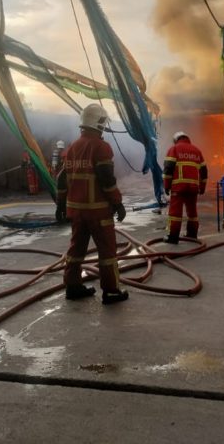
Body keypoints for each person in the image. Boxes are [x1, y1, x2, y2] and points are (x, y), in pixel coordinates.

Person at [55, 104, 129, 305]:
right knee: (107, 252)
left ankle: (72, 286)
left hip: (76, 212)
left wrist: (60, 205)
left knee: (76, 250)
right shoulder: (101, 146)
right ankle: (111, 291)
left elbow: (62, 180)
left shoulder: (72, 148)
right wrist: (118, 203)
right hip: (98, 212)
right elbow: (106, 179)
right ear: (98, 123)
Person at [162, 131, 207, 244]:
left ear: (176, 139)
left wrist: (167, 185)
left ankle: (173, 237)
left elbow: (168, 169)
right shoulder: (196, 151)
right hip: (193, 187)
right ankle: (192, 235)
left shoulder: (174, 149)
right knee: (192, 212)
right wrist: (202, 187)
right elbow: (204, 171)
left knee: (175, 212)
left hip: (178, 186)